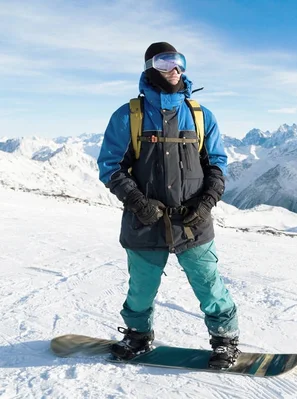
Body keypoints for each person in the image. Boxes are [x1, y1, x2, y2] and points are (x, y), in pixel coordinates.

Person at [97, 42, 239, 369]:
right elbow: (110, 166)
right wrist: (137, 201)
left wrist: (206, 202)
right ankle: (137, 335)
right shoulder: (129, 116)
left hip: (193, 220)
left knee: (209, 285)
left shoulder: (201, 116)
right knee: (141, 288)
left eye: (178, 62)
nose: (173, 68)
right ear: (150, 67)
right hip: (144, 220)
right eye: (164, 62)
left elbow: (217, 164)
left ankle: (225, 340)